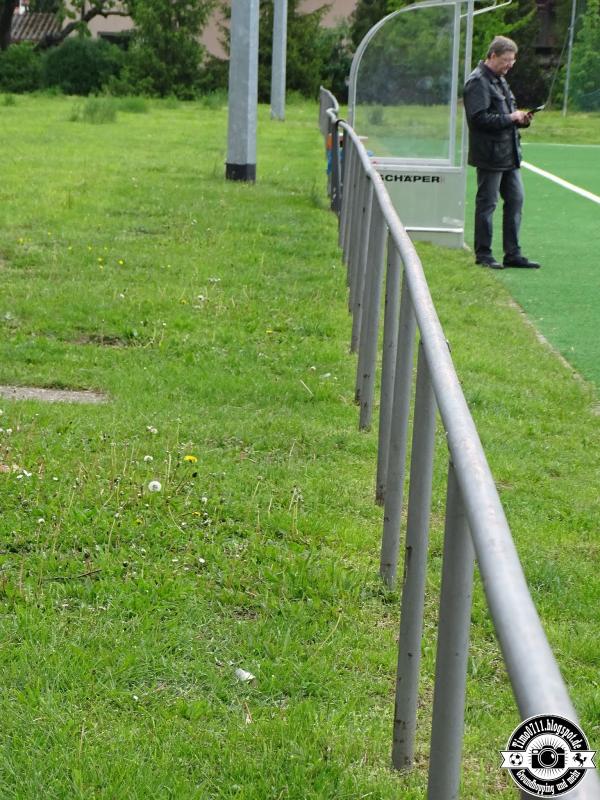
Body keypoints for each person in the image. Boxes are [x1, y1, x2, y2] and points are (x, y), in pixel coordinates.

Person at [463, 36, 541, 269]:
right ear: (492, 56)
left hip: (510, 154)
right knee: (487, 204)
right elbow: (478, 119)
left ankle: (513, 253)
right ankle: (484, 255)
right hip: (490, 155)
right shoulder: (478, 82)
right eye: (505, 60)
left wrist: (521, 119)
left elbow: (506, 114)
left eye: (512, 61)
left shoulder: (499, 80)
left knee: (516, 201)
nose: (509, 65)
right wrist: (510, 117)